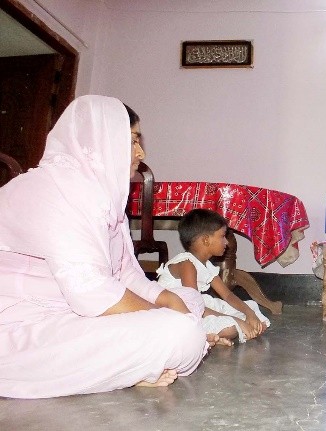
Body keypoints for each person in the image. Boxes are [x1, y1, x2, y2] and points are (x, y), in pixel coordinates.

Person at [0, 95, 215, 399]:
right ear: (101, 140)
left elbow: (126, 274)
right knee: (179, 332)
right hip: (18, 329)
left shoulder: (99, 194)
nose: (141, 152)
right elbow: (92, 294)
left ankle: (129, 366)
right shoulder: (56, 189)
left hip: (74, 312)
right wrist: (162, 313)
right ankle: (130, 368)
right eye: (132, 141)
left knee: (189, 300)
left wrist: (166, 299)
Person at [156, 208, 269, 343]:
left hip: (197, 305)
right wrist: (238, 321)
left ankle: (213, 337)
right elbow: (193, 307)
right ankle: (207, 338)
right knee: (231, 327)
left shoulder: (206, 264)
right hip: (178, 313)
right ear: (206, 240)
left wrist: (249, 314)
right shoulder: (187, 265)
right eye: (222, 236)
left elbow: (227, 295)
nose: (226, 242)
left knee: (252, 312)